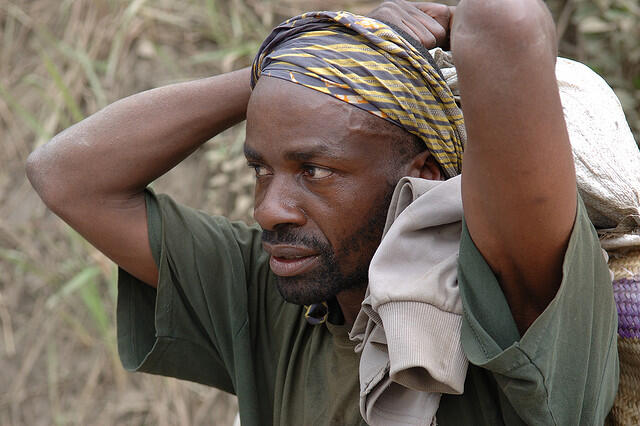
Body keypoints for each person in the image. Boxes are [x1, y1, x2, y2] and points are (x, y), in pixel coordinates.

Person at [26, 0, 618, 424]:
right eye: (262, 168)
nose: (268, 209)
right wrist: (294, 61)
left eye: (315, 171)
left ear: (423, 179)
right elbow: (66, 176)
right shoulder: (274, 299)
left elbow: (507, 21)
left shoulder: (508, 301)